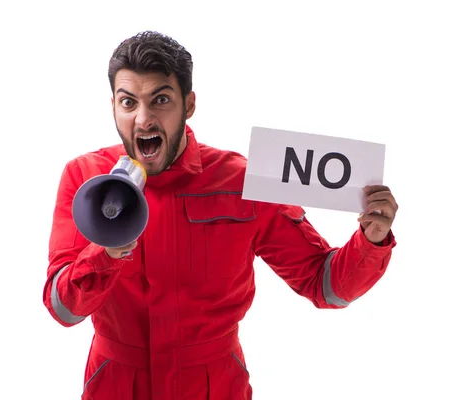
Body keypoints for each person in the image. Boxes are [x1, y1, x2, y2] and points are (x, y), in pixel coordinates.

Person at [43, 30, 399, 400]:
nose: (144, 119)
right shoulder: (85, 178)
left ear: (189, 103)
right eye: (128, 102)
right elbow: (62, 309)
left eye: (160, 100)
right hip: (116, 386)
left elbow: (325, 285)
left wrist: (370, 241)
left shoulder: (242, 181)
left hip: (215, 385)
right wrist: (105, 252)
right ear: (114, 106)